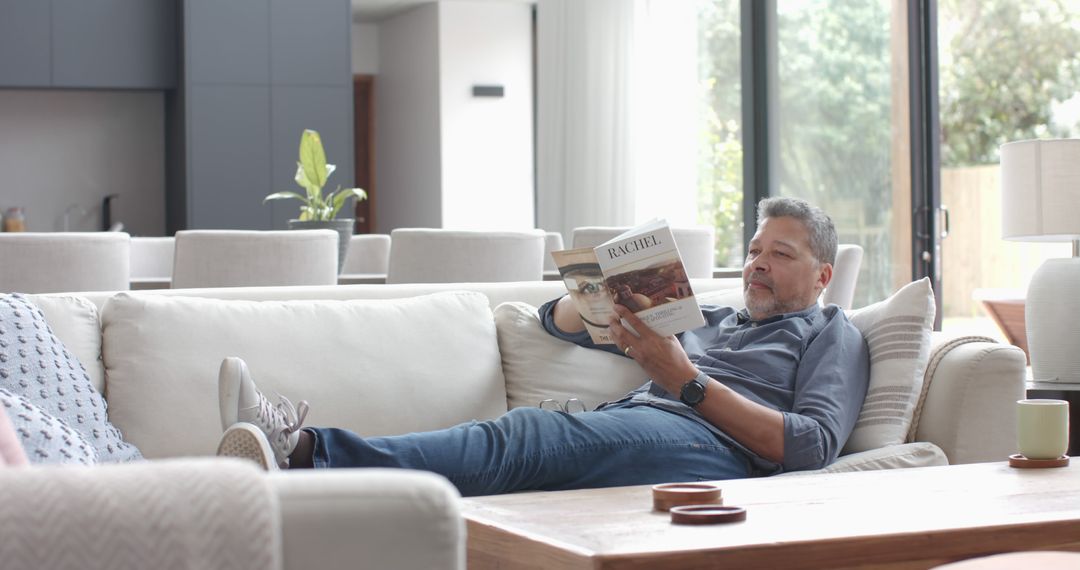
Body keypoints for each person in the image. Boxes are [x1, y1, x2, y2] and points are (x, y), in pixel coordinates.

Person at [216, 197, 869, 496]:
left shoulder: (831, 332)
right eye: (754, 250)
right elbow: (556, 327)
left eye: (779, 255)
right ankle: (300, 472)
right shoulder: (711, 318)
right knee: (518, 441)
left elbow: (809, 445)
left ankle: (302, 453)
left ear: (821, 275)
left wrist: (686, 382)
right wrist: (586, 303)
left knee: (523, 437)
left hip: (717, 453)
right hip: (646, 424)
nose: (756, 264)